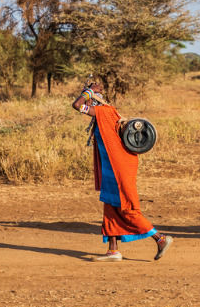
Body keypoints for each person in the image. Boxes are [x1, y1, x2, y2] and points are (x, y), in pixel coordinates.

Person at [72, 82, 173, 262]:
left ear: (97, 102)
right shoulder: (104, 115)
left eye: (93, 101)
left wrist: (88, 92)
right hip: (111, 168)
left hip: (119, 168)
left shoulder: (105, 112)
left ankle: (161, 239)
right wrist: (88, 92)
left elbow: (77, 105)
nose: (90, 107)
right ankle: (113, 251)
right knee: (110, 207)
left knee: (128, 208)